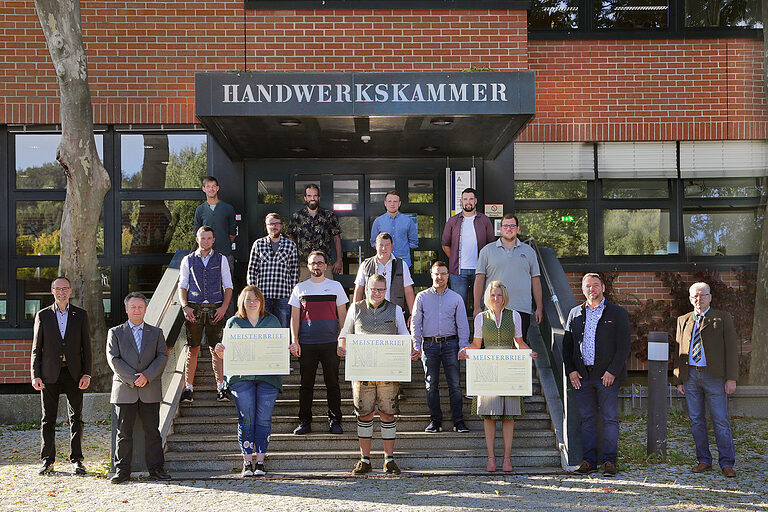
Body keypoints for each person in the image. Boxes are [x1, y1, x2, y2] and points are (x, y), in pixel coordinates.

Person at [338, 274, 417, 475]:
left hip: (388, 371)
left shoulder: (396, 309)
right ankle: (365, 459)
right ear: (366, 289)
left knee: (387, 414)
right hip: (362, 371)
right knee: (364, 414)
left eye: (381, 289)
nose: (377, 293)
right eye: (373, 289)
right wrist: (341, 347)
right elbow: (344, 334)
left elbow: (404, 337)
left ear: (386, 290)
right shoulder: (355, 308)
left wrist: (412, 349)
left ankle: (388, 460)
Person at [459, 281, 537, 473]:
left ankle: (507, 458)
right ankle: (491, 457)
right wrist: (465, 350)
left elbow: (518, 342)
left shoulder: (514, 315)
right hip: (488, 368)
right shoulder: (480, 318)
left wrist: (528, 352)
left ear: (504, 297)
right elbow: (477, 344)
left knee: (508, 416)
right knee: (489, 416)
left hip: (508, 367)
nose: (496, 298)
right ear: (488, 296)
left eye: (499, 295)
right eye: (493, 295)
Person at [562, 273, 631, 477]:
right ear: (582, 290)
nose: (591, 289)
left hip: (606, 376)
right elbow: (567, 346)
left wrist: (613, 371)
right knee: (588, 420)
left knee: (610, 419)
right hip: (582, 376)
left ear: (603, 288)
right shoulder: (575, 313)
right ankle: (589, 462)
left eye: (595, 285)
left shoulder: (617, 313)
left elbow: (624, 345)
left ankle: (610, 461)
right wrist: (571, 371)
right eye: (587, 286)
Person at [214, 285, 284, 477]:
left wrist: (284, 350)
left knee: (263, 418)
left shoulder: (272, 320)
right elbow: (225, 351)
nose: (252, 302)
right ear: (241, 302)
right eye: (248, 299)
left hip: (268, 377)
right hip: (240, 377)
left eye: (255, 299)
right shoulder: (233, 322)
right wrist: (221, 351)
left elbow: (279, 346)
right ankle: (247, 462)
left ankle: (260, 461)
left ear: (261, 301)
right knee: (246, 419)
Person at [674, 282, 738, 478]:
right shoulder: (683, 320)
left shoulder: (722, 318)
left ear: (710, 297)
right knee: (696, 421)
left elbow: (732, 350)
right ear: (690, 298)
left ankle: (726, 463)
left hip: (714, 377)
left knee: (720, 421)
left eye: (702, 296)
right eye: (694, 296)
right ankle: (704, 460)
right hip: (690, 376)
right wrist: (678, 379)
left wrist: (731, 378)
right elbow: (678, 351)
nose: (698, 300)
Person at [31, 276, 92, 476]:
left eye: (65, 288)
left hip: (74, 373)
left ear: (71, 291)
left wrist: (87, 373)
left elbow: (87, 349)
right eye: (58, 289)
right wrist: (35, 374)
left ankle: (77, 460)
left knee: (76, 418)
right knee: (47, 419)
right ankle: (47, 461)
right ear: (52, 291)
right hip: (49, 374)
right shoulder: (43, 315)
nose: (61, 292)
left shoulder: (80, 315)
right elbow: (36, 349)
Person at [107, 292, 171, 484]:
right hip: (125, 390)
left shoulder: (156, 333)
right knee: (123, 433)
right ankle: (122, 471)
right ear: (126, 309)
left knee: (152, 432)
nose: (137, 310)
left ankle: (156, 470)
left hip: (149, 389)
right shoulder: (116, 332)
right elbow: (113, 359)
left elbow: (162, 357)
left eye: (140, 307)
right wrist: (133, 379)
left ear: (145, 309)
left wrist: (147, 376)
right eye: (133, 307)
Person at [288, 250, 348, 435]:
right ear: (308, 266)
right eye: (313, 263)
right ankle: (305, 421)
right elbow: (294, 318)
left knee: (333, 384)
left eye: (320, 263)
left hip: (331, 343)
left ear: (325, 266)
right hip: (307, 344)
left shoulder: (336, 286)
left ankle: (335, 420)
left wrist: (343, 340)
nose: (317, 266)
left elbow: (343, 316)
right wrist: (294, 341)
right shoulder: (300, 288)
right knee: (306, 385)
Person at [411, 261, 471, 434]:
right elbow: (415, 322)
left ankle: (458, 421)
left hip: (451, 345)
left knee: (455, 385)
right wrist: (416, 344)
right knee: (431, 385)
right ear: (431, 275)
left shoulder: (456, 298)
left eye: (443, 273)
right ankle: (435, 421)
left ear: (448, 276)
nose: (440, 277)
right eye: (437, 273)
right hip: (429, 345)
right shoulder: (421, 297)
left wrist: (463, 346)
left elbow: (462, 324)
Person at [178, 225, 233, 403]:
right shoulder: (187, 259)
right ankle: (188, 388)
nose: (206, 241)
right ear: (197, 239)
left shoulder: (221, 259)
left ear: (213, 240)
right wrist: (185, 306)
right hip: (194, 308)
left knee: (216, 349)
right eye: (203, 238)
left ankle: (221, 388)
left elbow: (228, 286)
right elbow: (182, 285)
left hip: (215, 308)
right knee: (192, 348)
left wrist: (224, 307)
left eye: (209, 238)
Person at [473, 213, 543, 343]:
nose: (509, 229)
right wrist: (477, 306)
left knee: (518, 351)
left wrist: (539, 307)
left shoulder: (529, 252)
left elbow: (536, 280)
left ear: (517, 229)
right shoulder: (487, 251)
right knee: (493, 349)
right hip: (493, 309)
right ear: (500, 229)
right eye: (505, 226)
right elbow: (479, 280)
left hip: (521, 308)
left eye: (512, 226)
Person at [441, 187, 495, 310]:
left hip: (480, 271)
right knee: (459, 307)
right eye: (465, 199)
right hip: (458, 272)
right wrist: (455, 258)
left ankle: (481, 329)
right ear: (461, 201)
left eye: (471, 199)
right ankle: (462, 330)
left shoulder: (484, 220)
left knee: (482, 305)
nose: (468, 202)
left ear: (475, 201)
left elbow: (491, 244)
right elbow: (445, 244)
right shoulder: (453, 221)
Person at [246, 212, 298, 328]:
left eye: (276, 224)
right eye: (270, 224)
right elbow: (252, 270)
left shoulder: (290, 245)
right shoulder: (258, 244)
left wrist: (293, 294)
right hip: (263, 296)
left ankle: (284, 347)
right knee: (263, 327)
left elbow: (294, 272)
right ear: (266, 226)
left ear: (281, 226)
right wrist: (253, 293)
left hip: (283, 296)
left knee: (283, 328)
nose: (273, 227)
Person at [286, 184, 343, 279]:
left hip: (325, 265)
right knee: (304, 293)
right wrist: (293, 263)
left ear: (319, 197)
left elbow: (337, 238)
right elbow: (290, 240)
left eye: (315, 195)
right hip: (304, 266)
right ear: (305, 198)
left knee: (327, 292)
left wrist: (339, 260)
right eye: (309, 196)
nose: (312, 198)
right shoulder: (297, 216)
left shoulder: (328, 215)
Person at [353, 232, 415, 316]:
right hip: (371, 314)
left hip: (395, 314)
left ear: (392, 246)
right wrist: (356, 313)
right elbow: (359, 290)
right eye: (381, 245)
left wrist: (413, 314)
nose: (384, 248)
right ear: (375, 246)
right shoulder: (365, 265)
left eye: (387, 245)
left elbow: (408, 291)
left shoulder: (402, 264)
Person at [194, 175, 237, 293]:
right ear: (204, 189)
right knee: (207, 288)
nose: (211, 189)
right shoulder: (200, 210)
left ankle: (228, 312)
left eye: (213, 186)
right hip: (206, 257)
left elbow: (232, 233)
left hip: (225, 255)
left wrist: (224, 244)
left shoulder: (228, 208)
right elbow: (197, 233)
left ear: (217, 188)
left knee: (227, 288)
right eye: (208, 186)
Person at [369, 190, 418, 268]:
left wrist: (403, 249)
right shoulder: (378, 221)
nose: (392, 204)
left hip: (403, 263)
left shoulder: (408, 221)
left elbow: (414, 242)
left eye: (395, 201)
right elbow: (373, 242)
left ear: (399, 203)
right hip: (383, 264)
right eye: (389, 201)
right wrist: (384, 252)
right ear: (385, 203)